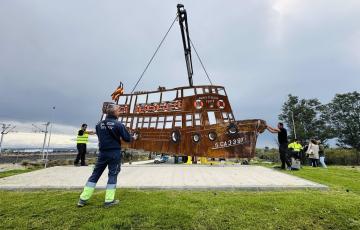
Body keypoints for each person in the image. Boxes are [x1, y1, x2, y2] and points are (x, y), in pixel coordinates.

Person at [77, 103, 136, 207]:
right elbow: (127, 138)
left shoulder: (98, 125)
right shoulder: (119, 125)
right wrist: (132, 136)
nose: (120, 112)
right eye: (118, 111)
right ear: (114, 112)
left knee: (95, 174)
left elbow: (101, 136)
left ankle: (83, 199)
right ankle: (109, 200)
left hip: (102, 153)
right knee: (112, 175)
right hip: (114, 153)